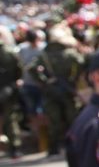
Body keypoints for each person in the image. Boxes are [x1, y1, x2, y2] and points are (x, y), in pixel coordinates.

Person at [30, 27, 85, 156]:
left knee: (54, 121)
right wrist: (74, 78)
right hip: (67, 89)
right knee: (72, 118)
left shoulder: (44, 54)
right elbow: (82, 63)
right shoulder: (69, 52)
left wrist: (44, 81)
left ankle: (54, 148)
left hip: (51, 90)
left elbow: (31, 68)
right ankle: (75, 146)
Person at [0, 27, 23, 158]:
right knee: (11, 119)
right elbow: (19, 70)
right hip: (8, 89)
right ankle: (14, 147)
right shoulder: (10, 52)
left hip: (7, 88)